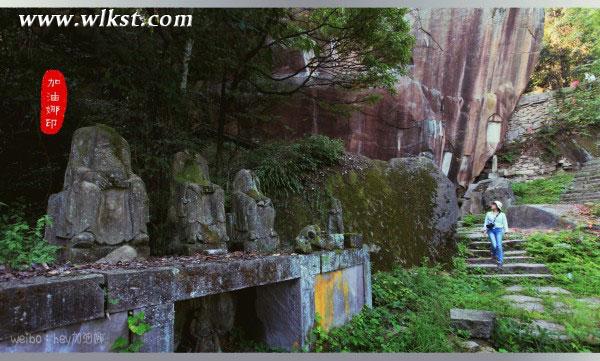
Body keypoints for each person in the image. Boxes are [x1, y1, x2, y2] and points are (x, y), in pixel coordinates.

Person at [482, 200, 509, 267]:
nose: (491, 205)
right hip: (490, 230)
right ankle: (494, 255)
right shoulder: (488, 213)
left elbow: (505, 223)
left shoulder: (502, 214)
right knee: (494, 245)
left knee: (499, 245)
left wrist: (506, 232)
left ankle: (500, 261)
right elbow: (486, 222)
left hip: (499, 230)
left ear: (497, 206)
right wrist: (485, 230)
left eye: (493, 204)